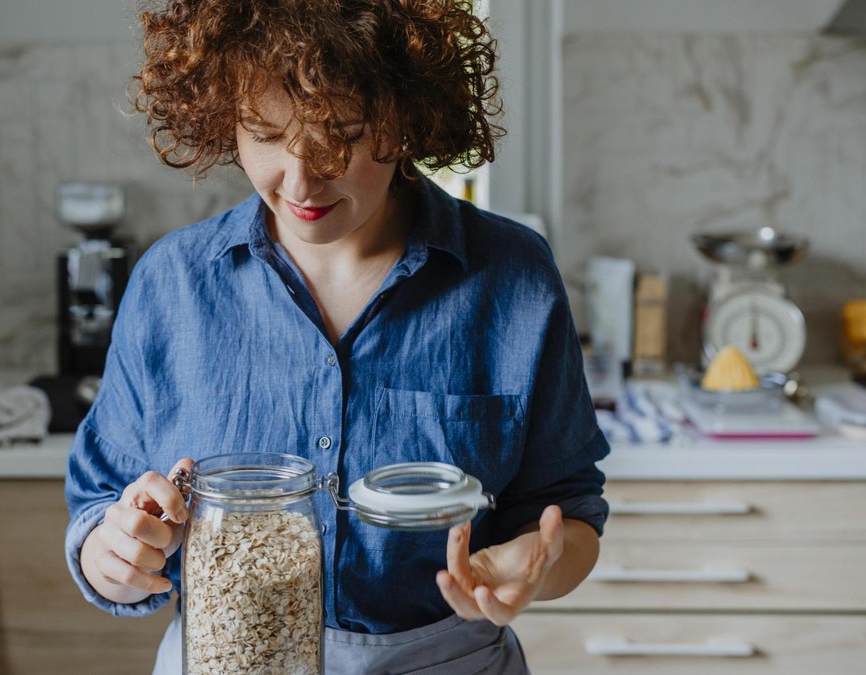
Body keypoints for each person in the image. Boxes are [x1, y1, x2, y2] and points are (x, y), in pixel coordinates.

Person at [65, 1, 610, 672]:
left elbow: (569, 512)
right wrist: (116, 552)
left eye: (340, 135)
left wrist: (534, 563)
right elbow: (98, 507)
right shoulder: (172, 283)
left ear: (406, 116)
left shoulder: (513, 278)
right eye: (264, 135)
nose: (299, 181)